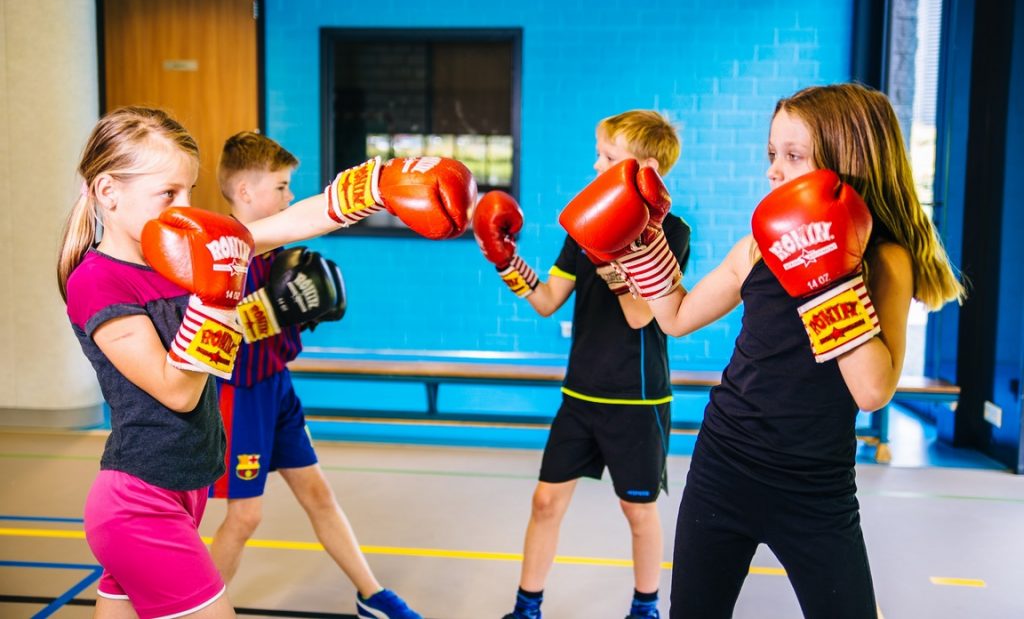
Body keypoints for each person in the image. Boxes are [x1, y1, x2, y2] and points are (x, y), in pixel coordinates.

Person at [559, 83, 965, 619]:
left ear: (849, 160)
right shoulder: (757, 244)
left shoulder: (885, 260)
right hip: (724, 463)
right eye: (772, 154)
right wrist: (642, 243)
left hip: (815, 486)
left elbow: (871, 391)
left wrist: (827, 277)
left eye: (793, 156)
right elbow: (676, 317)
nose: (773, 170)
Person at [57, 106, 475, 619]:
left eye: (189, 191)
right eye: (168, 193)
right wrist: (220, 295)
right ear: (107, 192)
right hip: (141, 504)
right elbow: (178, 390)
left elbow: (290, 222)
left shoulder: (178, 254)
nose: (184, 208)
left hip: (181, 490)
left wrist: (378, 186)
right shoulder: (97, 281)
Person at [474, 110, 691, 619]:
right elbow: (549, 298)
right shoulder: (584, 222)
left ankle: (645, 607)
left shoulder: (671, 233)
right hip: (580, 396)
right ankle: (526, 608)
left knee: (638, 511)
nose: (596, 165)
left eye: (609, 157)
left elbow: (641, 315)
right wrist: (506, 260)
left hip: (637, 400)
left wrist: (611, 257)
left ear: (647, 167)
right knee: (545, 502)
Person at [207, 131, 419, 619]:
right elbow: (217, 332)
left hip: (277, 387)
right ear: (245, 193)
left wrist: (299, 309)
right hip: (240, 396)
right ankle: (194, 610)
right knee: (244, 516)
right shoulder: (223, 254)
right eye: (281, 187)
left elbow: (276, 324)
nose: (289, 197)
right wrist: (273, 311)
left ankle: (373, 596)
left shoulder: (276, 249)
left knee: (318, 493)